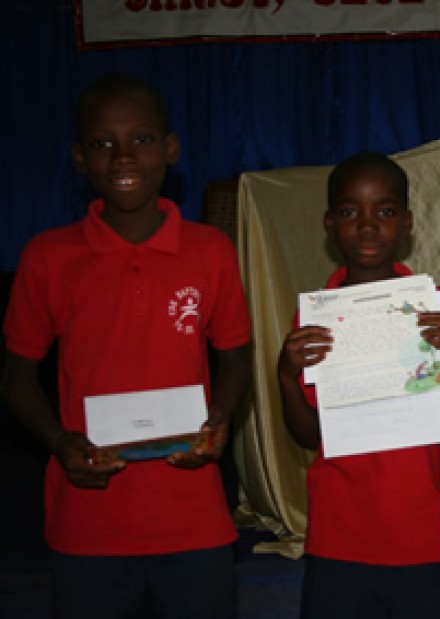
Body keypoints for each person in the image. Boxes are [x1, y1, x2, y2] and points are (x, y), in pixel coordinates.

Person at [0, 74, 252, 618]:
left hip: (193, 519)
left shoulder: (210, 250)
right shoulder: (48, 257)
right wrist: (58, 442)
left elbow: (235, 355)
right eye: (101, 143)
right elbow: (16, 377)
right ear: (78, 157)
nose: (122, 158)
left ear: (171, 149)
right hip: (89, 522)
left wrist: (220, 418)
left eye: (140, 139)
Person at [277, 152, 440, 619]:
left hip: (417, 534)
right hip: (338, 535)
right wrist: (285, 375)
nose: (367, 226)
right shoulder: (314, 319)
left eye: (384, 212)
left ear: (406, 223)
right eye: (350, 212)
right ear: (329, 224)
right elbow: (308, 436)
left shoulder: (434, 305)